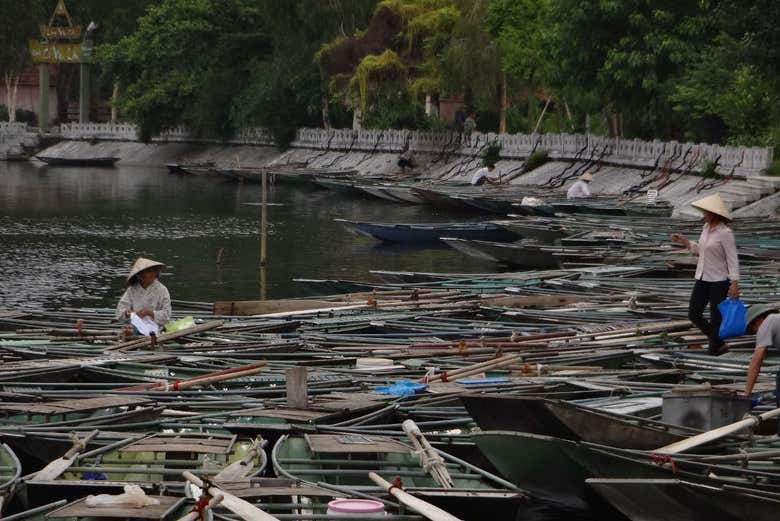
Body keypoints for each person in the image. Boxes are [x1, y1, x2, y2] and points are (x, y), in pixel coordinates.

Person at [671, 193, 739, 356]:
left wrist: (734, 283)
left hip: (719, 280)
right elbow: (701, 250)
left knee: (716, 318)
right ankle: (718, 342)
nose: (703, 215)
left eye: (705, 212)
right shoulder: (706, 228)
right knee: (694, 314)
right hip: (702, 277)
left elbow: (732, 259)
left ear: (714, 213)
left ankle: (714, 350)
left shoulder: (725, 233)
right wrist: (685, 242)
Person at [116, 257, 172, 331]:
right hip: (135, 325)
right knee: (130, 329)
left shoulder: (162, 290)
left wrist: (149, 313)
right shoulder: (132, 289)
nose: (152, 274)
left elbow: (166, 314)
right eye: (148, 272)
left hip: (155, 326)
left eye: (154, 271)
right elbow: (121, 310)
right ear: (140, 275)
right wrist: (127, 313)